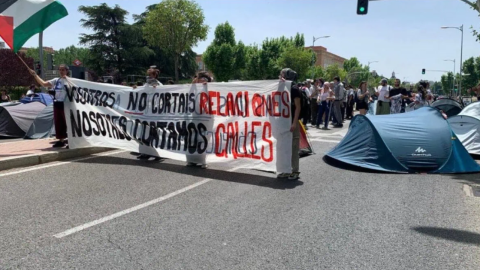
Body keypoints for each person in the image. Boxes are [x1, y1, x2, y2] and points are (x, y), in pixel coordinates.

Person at [28, 64, 69, 147]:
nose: (61, 71)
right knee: (59, 122)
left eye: (63, 70)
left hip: (67, 104)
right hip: (57, 103)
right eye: (60, 70)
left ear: (67, 71)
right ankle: (61, 140)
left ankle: (71, 140)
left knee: (68, 122)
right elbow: (44, 84)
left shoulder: (70, 81)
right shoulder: (56, 80)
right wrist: (35, 75)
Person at [277, 68, 301, 181]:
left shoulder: (294, 88)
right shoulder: (283, 87)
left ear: (287, 76)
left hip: (292, 122)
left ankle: (294, 170)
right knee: (284, 147)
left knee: (293, 147)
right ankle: (286, 170)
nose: (279, 76)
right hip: (283, 122)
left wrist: (294, 123)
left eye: (282, 75)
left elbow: (298, 107)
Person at [186, 71, 212, 169]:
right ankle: (192, 160)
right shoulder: (195, 87)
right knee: (193, 138)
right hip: (195, 117)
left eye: (201, 78)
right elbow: (189, 96)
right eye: (198, 78)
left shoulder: (209, 87)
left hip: (206, 118)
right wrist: (193, 85)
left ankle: (203, 161)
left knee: (203, 139)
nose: (198, 80)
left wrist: (208, 86)